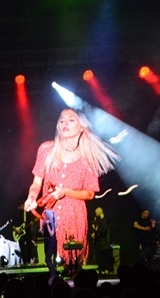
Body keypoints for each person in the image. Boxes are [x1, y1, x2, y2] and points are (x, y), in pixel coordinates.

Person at [23, 109, 119, 268]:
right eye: (62, 120)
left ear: (81, 127)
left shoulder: (88, 157)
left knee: (73, 262)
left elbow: (90, 194)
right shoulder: (46, 149)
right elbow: (36, 182)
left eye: (71, 120)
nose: (65, 123)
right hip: (50, 215)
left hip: (74, 214)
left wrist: (66, 192)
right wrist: (31, 197)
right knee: (51, 261)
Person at [89, 206, 113, 273]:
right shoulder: (99, 221)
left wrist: (95, 230)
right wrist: (95, 233)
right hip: (100, 242)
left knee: (104, 256)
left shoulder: (105, 220)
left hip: (104, 242)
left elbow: (103, 231)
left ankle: (106, 270)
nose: (96, 214)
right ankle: (103, 269)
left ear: (99, 212)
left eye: (96, 213)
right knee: (101, 256)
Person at [41, 208, 59, 285]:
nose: (44, 215)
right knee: (48, 259)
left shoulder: (50, 223)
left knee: (48, 259)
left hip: (51, 241)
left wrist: (48, 225)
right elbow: (44, 233)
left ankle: (53, 275)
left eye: (45, 214)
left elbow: (51, 233)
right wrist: (42, 231)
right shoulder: (45, 222)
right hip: (46, 241)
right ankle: (53, 274)